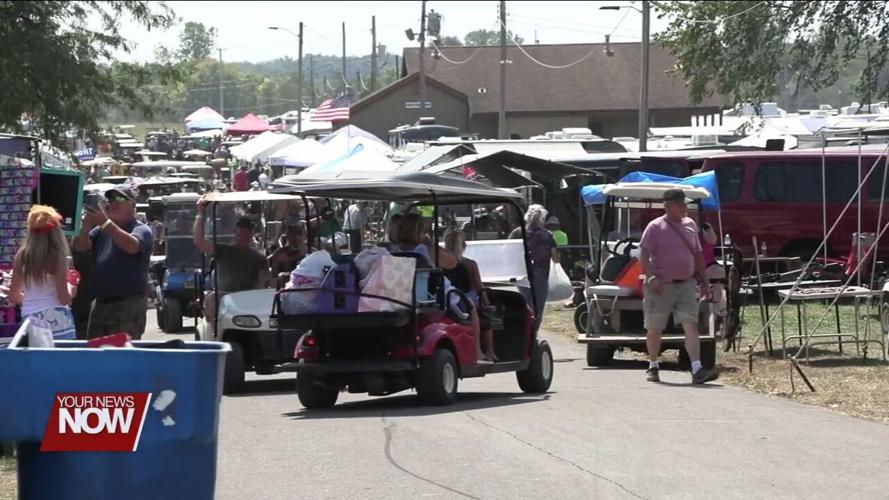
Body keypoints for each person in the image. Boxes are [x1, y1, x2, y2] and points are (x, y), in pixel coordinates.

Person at [639, 189, 718, 384]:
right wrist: (651, 278)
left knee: (690, 324)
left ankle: (697, 368)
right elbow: (644, 255)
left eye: (685, 204)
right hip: (661, 286)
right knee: (655, 328)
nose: (685, 207)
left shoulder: (691, 224)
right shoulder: (654, 227)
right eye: (681, 204)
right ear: (668, 206)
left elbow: (698, 255)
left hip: (686, 284)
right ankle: (653, 365)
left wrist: (705, 282)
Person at [72, 186, 153, 339]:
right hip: (101, 304)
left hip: (127, 304)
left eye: (120, 199)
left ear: (133, 205)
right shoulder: (100, 231)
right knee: (97, 355)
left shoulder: (141, 229)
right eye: (110, 199)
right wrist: (85, 227)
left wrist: (105, 222)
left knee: (122, 355)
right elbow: (79, 247)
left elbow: (132, 246)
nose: (113, 203)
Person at [193, 197, 271, 336]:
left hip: (248, 297)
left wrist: (261, 287)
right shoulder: (224, 251)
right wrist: (200, 214)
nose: (244, 235)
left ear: (253, 233)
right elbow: (199, 241)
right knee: (211, 299)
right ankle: (216, 333)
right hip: (224, 296)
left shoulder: (259, 258)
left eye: (248, 232)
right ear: (235, 233)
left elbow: (264, 281)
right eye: (241, 232)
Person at [6, 206, 77, 339]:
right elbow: (64, 299)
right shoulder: (57, 258)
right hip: (58, 321)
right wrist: (72, 285)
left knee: (35, 359)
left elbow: (13, 296)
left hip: (30, 321)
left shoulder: (22, 256)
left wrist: (31, 301)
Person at [445, 230, 497, 361]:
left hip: (448, 299)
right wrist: (486, 303)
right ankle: (490, 351)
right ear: (464, 245)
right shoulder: (470, 264)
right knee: (486, 317)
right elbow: (479, 287)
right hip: (466, 300)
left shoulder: (442, 263)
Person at [508, 204, 559, 331]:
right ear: (542, 218)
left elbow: (506, 250)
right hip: (540, 273)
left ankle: (522, 332)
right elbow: (555, 258)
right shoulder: (547, 235)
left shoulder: (517, 232)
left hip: (522, 272)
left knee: (524, 305)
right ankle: (533, 335)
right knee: (537, 307)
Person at [700, 222, 727, 317]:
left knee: (720, 275)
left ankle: (718, 309)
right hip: (693, 267)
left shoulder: (704, 229)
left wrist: (708, 229)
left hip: (710, 265)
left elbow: (713, 240)